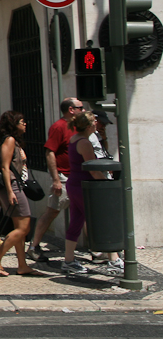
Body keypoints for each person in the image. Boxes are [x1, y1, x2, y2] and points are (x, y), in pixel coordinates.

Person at [62, 112, 123, 275]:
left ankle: (68, 260)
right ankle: (114, 259)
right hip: (84, 186)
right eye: (94, 122)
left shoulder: (74, 139)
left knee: (76, 221)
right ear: (89, 126)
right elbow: (93, 169)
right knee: (104, 220)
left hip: (74, 184)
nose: (97, 123)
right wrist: (106, 183)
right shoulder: (84, 143)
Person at [28, 97, 84, 263]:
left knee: (84, 212)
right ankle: (34, 246)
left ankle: (97, 250)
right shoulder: (59, 127)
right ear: (71, 110)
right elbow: (49, 152)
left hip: (78, 177)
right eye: (80, 107)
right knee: (52, 210)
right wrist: (56, 179)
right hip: (64, 177)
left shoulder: (79, 127)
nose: (83, 110)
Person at [0, 111, 39, 276]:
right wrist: (10, 192)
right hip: (11, 187)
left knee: (19, 227)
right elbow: (4, 166)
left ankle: (22, 264)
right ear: (13, 124)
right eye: (21, 121)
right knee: (24, 227)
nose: (25, 124)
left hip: (15, 186)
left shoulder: (15, 141)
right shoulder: (9, 141)